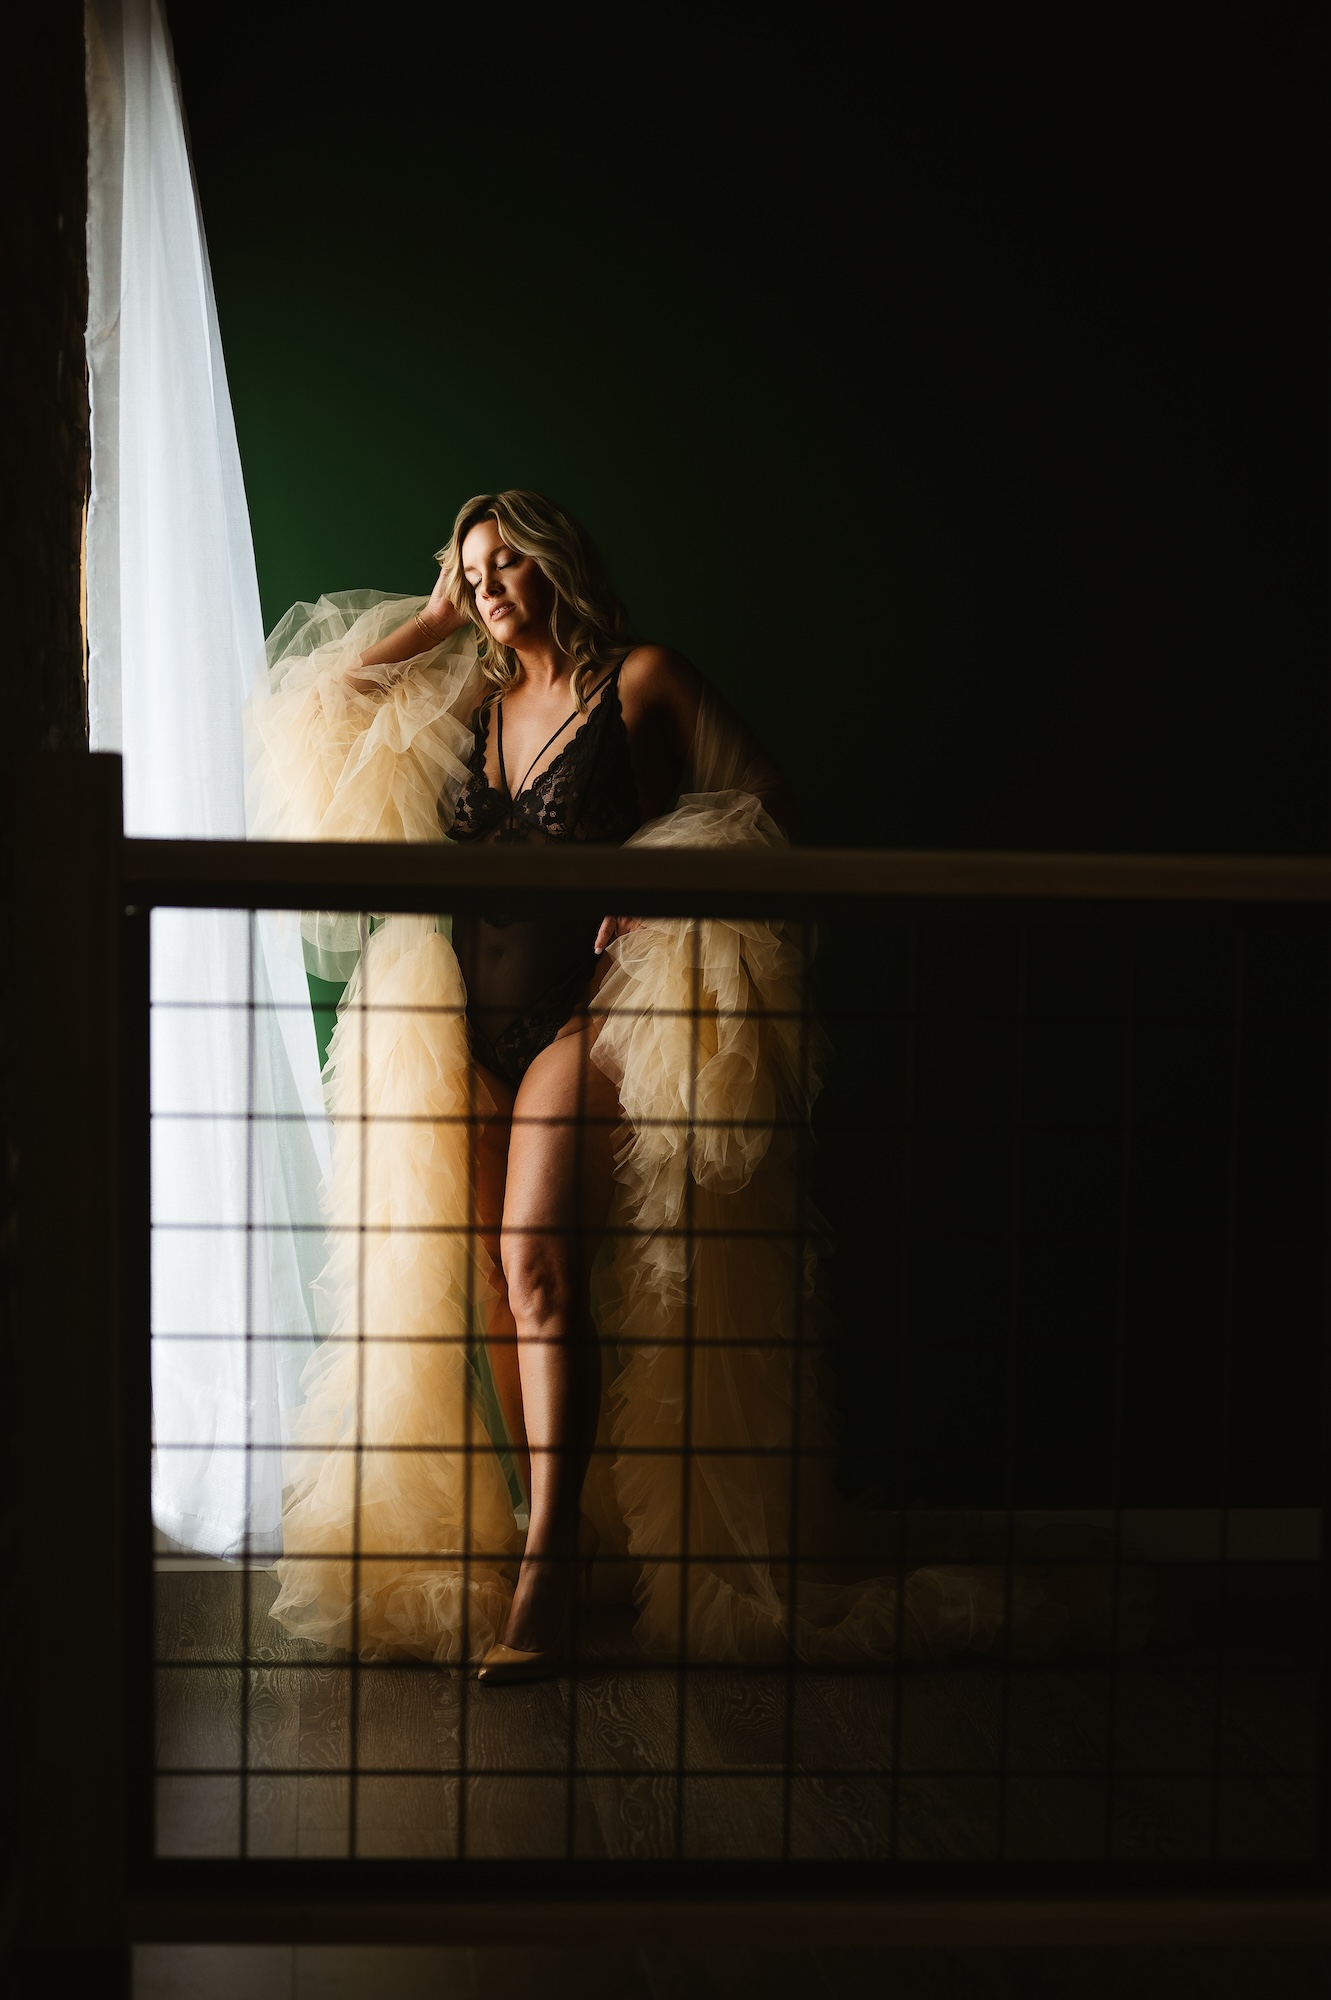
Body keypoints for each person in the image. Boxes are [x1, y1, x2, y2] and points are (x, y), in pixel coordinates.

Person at [247, 490, 1150, 1682]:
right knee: (488, 1280)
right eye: (472, 573)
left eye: (507, 560)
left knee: (535, 1257)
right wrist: (423, 619)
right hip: (463, 1020)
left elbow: (769, 804)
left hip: (587, 1011)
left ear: (554, 558)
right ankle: (539, 1518)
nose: (490, 585)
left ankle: (550, 1563)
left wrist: (669, 876)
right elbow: (322, 709)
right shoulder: (463, 695)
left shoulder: (639, 682)